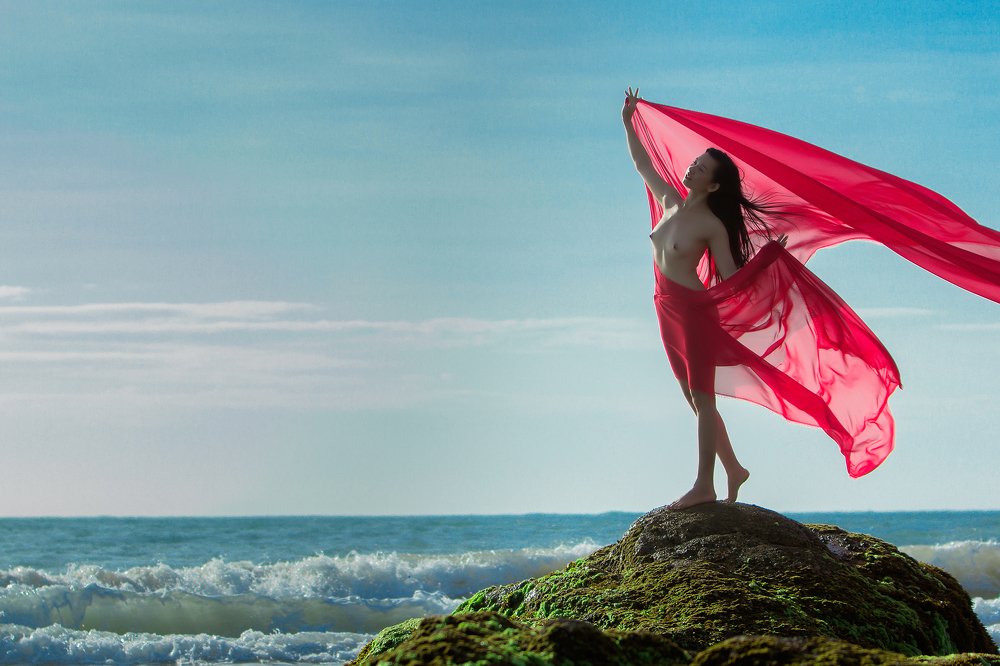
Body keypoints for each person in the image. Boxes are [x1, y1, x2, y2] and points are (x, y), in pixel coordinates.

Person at [622, 86, 786, 510]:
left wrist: (768, 262)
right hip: (664, 307)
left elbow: (731, 278)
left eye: (701, 168)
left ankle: (704, 485)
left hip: (695, 312)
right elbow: (642, 164)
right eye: (695, 162)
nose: (692, 167)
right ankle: (733, 468)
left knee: (704, 397)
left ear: (713, 185)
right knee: (691, 396)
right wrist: (628, 123)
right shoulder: (670, 202)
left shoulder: (712, 225)